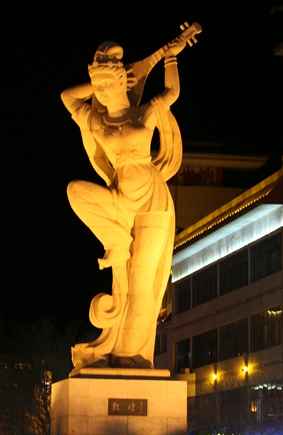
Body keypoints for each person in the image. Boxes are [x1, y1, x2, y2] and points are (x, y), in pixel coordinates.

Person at [62, 25, 200, 369]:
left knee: (140, 280)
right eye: (98, 88)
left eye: (107, 85)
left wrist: (171, 58)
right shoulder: (97, 122)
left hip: (152, 201)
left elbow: (171, 92)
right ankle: (116, 241)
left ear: (122, 82)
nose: (102, 92)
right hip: (121, 200)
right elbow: (67, 98)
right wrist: (96, 82)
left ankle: (130, 356)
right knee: (75, 191)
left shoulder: (144, 114)